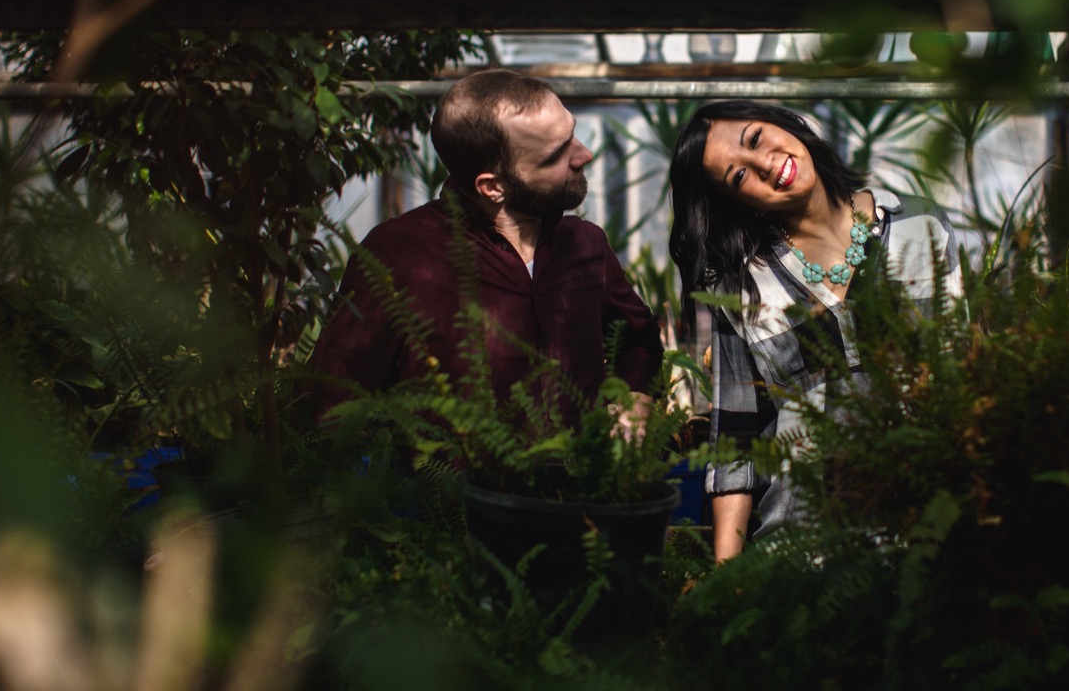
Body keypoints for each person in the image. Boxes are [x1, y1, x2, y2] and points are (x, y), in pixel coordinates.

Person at [668, 101, 963, 561]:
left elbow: (964, 380)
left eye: (756, 139)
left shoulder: (922, 227)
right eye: (739, 177)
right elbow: (737, 443)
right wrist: (726, 583)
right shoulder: (743, 285)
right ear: (738, 201)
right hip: (803, 554)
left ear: (785, 124)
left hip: (930, 536)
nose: (764, 164)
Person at [310, 68, 662, 427]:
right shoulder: (398, 256)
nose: (584, 154)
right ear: (493, 187)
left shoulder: (585, 244)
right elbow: (332, 400)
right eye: (556, 154)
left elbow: (639, 342)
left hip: (583, 480)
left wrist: (633, 400)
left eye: (572, 134)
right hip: (452, 484)